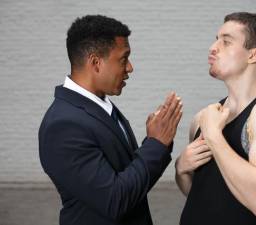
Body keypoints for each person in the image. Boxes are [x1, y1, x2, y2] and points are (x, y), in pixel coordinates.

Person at [39, 15, 182, 225]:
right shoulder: (63, 125)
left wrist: (157, 142)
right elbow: (114, 200)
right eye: (124, 58)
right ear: (96, 62)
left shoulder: (100, 105)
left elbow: (131, 178)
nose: (130, 67)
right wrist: (155, 145)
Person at [176, 12, 256, 225]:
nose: (213, 48)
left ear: (253, 55)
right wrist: (181, 169)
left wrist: (214, 136)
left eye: (226, 42)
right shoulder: (205, 117)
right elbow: (200, 195)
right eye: (216, 40)